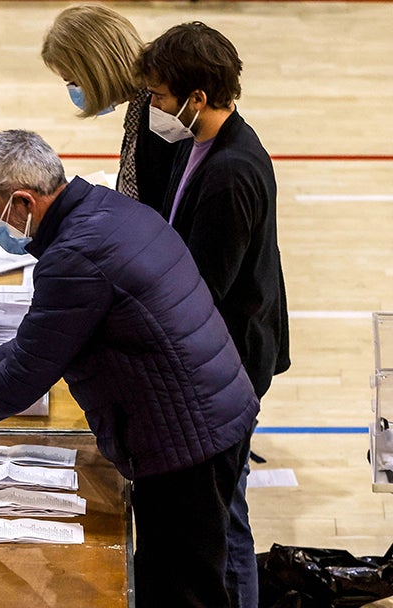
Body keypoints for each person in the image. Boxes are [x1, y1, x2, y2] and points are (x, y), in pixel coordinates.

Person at [0, 129, 259, 608]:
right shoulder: (107, 210)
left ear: (23, 201)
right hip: (214, 410)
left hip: (185, 440)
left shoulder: (74, 257)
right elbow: (48, 339)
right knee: (207, 568)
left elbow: (25, 377)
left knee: (182, 590)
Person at [135, 22, 290, 608]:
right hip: (216, 357)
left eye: (159, 97)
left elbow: (203, 286)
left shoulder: (231, 172)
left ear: (197, 98)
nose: (153, 108)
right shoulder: (198, 144)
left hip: (229, 366)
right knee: (224, 513)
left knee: (223, 521)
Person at [41, 4, 176, 211]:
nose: (74, 91)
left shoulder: (159, 113)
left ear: (96, 72)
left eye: (74, 82)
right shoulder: (139, 104)